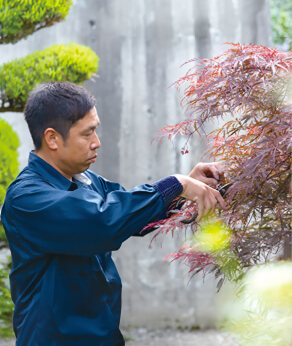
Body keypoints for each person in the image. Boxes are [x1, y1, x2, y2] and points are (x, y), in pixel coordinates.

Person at [1, 82, 226, 346]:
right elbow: (103, 222)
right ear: (52, 138)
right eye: (88, 134)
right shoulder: (27, 198)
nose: (97, 142)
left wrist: (188, 188)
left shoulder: (85, 180)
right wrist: (176, 184)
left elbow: (130, 218)